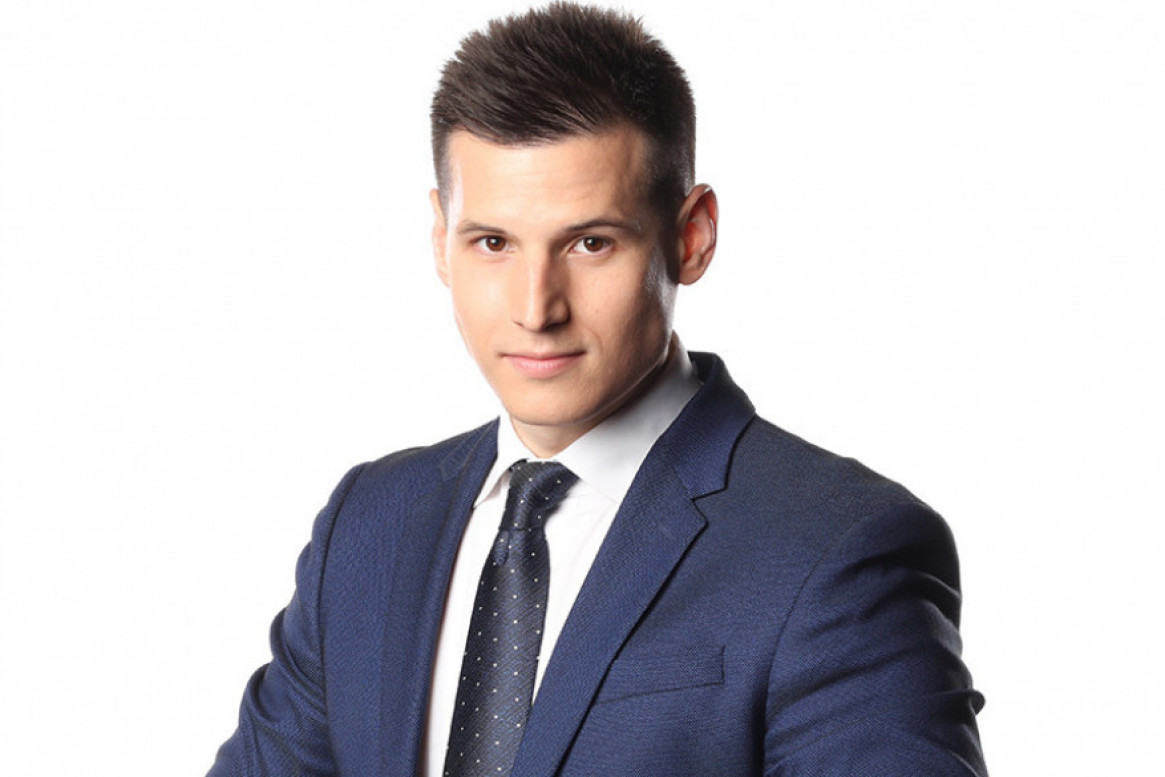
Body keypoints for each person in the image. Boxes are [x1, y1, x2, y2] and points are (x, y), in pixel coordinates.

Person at [208, 3, 986, 776]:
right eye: (492, 242)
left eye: (589, 242)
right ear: (441, 240)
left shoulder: (834, 548)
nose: (535, 307)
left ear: (690, 236)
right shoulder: (368, 525)